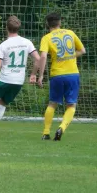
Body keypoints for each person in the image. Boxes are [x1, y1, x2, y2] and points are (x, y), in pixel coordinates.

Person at [0, 16, 40, 134]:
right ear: (18, 28)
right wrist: (33, 74)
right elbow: (38, 58)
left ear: (6, 28)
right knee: (3, 102)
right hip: (18, 81)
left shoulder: (4, 45)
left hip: (5, 78)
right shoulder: (27, 42)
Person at [37, 12, 86, 141]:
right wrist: (69, 56)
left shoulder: (46, 38)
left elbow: (42, 57)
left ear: (47, 24)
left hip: (57, 74)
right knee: (71, 105)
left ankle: (46, 133)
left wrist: (41, 75)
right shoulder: (70, 33)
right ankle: (62, 127)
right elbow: (82, 51)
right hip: (72, 73)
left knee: (52, 104)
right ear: (60, 23)